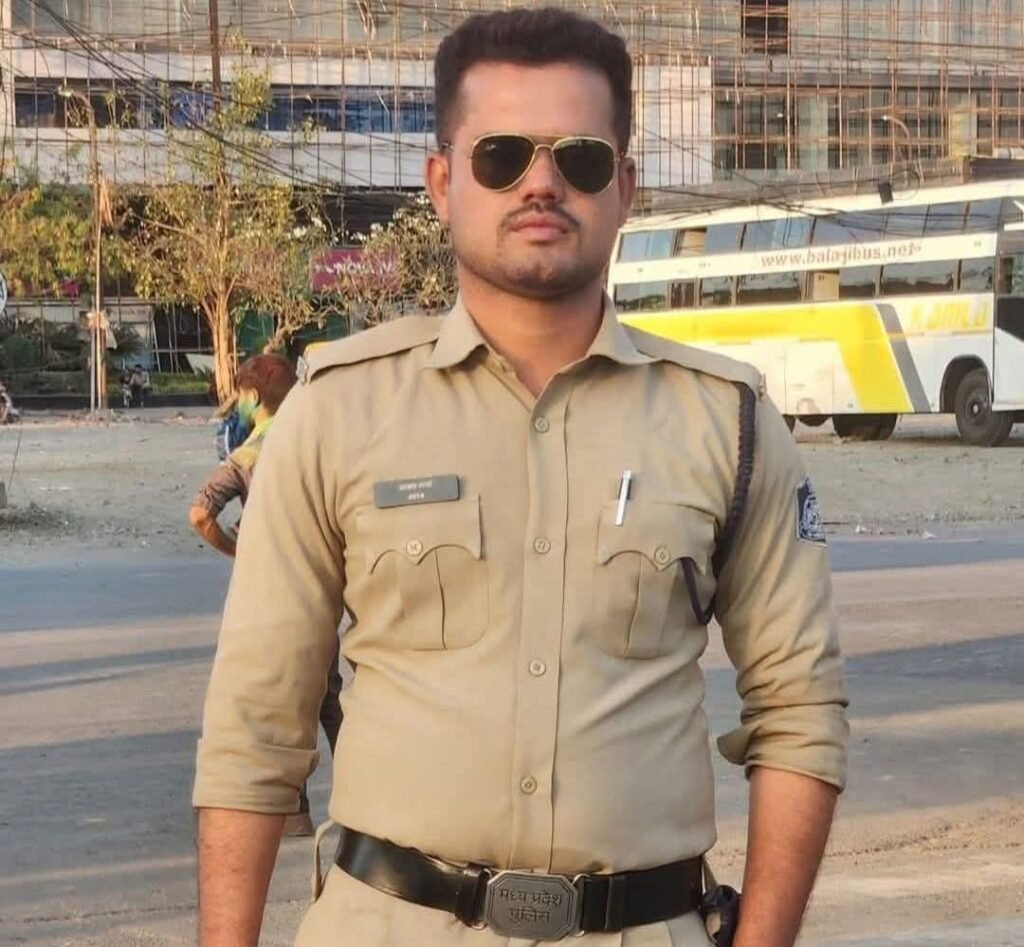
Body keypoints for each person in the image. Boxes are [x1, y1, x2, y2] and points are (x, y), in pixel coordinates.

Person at [193, 9, 848, 947]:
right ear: (442, 182)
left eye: (580, 159)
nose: (541, 182)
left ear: (624, 188)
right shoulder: (338, 411)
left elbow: (798, 713)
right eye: (501, 156)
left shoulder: (727, 423)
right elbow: (255, 726)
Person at [189, 354, 343, 837]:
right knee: (329, 695)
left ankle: (295, 811)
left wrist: (237, 551)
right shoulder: (316, 442)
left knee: (283, 699)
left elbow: (200, 514)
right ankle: (361, 796)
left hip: (270, 592)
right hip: (321, 584)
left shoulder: (249, 455)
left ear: (253, 396)